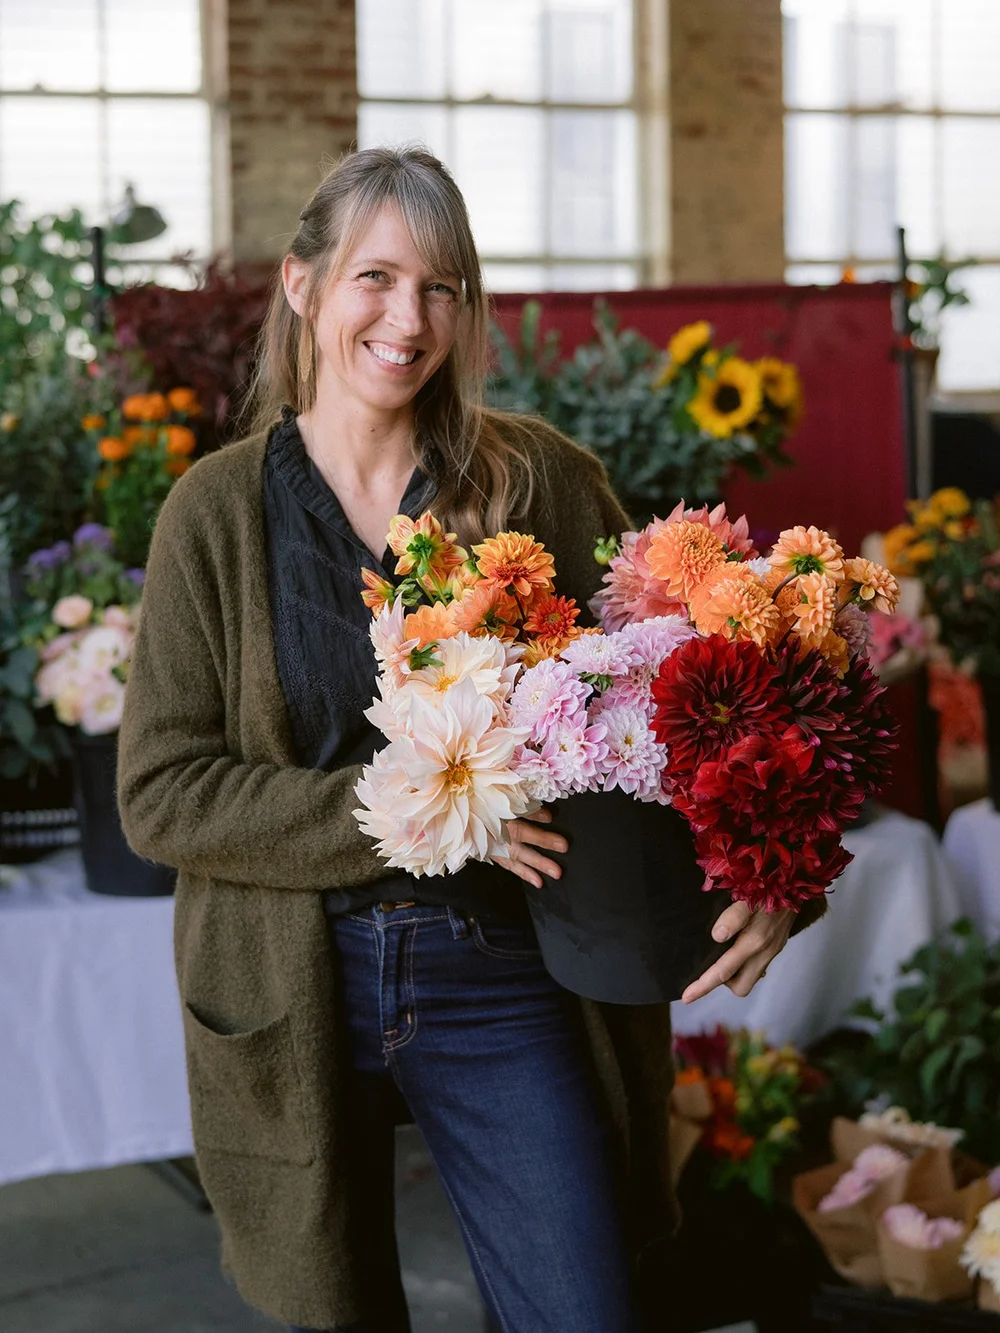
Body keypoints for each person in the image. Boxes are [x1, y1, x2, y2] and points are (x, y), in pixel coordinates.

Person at [117, 146, 817, 1333]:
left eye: (441, 287)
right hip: (300, 976)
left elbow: (683, 687)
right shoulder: (218, 513)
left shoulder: (536, 478)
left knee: (582, 1309)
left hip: (503, 968)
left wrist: (776, 859)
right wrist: (428, 806)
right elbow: (163, 793)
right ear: (303, 286)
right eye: (374, 278)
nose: (408, 319)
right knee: (333, 1302)